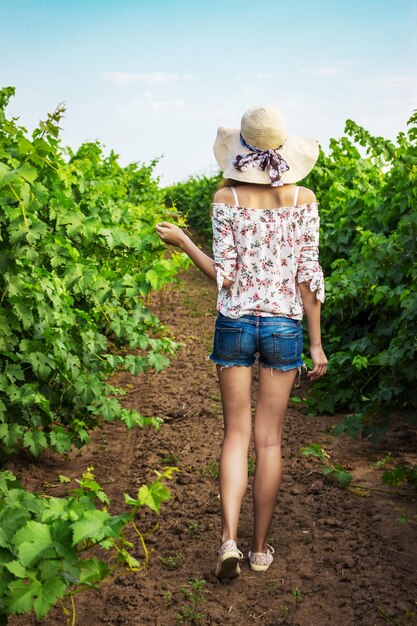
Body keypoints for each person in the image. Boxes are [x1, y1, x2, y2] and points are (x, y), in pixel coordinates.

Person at [156, 105, 328, 580]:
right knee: (269, 441)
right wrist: (315, 344)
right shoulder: (303, 199)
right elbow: (308, 278)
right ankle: (258, 549)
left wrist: (186, 243)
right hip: (283, 327)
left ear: (243, 150)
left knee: (235, 435)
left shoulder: (225, 196)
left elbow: (222, 276)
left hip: (234, 323)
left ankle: (227, 541)